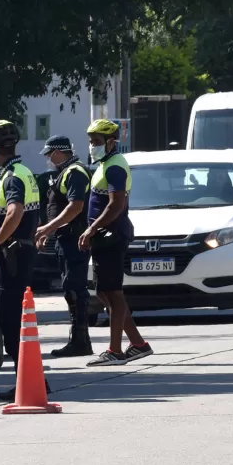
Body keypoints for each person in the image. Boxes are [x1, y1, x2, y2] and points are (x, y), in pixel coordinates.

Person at [0, 120, 46, 402]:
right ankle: (34, 379)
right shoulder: (25, 172)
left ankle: (27, 381)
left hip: (14, 255)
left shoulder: (11, 178)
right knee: (17, 319)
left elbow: (15, 211)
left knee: (10, 320)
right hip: (23, 251)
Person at [79, 119, 151, 366]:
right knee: (104, 291)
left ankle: (115, 351)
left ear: (111, 142)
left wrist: (90, 229)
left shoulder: (115, 167)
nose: (92, 146)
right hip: (104, 237)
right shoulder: (105, 164)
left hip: (112, 236)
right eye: (90, 141)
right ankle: (138, 344)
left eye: (97, 142)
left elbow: (116, 204)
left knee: (113, 292)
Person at [34, 134, 94, 358]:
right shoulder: (65, 173)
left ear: (58, 152)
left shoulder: (74, 172)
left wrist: (48, 228)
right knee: (71, 288)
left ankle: (80, 341)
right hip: (65, 238)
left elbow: (76, 206)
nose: (48, 158)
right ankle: (78, 340)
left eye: (49, 154)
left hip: (74, 239)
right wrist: (48, 232)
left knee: (75, 288)